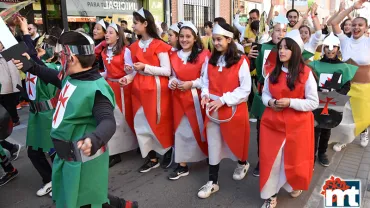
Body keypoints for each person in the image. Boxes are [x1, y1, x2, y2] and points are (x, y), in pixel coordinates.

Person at [12, 31, 138, 208]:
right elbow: (46, 73)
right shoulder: (71, 77)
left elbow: (107, 121)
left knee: (84, 201)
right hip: (66, 158)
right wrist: (28, 64)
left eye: (62, 54)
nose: (59, 57)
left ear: (72, 58)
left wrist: (94, 139)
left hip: (81, 161)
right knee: (81, 197)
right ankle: (124, 205)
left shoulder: (95, 88)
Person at [259, 30, 319, 208]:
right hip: (272, 124)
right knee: (272, 160)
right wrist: (270, 102)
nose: (282, 51)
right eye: (280, 48)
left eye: (286, 48)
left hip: (298, 126)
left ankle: (294, 184)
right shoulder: (272, 72)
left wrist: (291, 102)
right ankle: (270, 195)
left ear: (296, 51)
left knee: (294, 159)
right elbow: (265, 94)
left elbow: (313, 102)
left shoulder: (306, 73)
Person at [197, 23, 251, 199]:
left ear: (229, 39)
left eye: (219, 39)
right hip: (213, 109)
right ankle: (213, 182)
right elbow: (205, 82)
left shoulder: (241, 61)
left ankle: (243, 163)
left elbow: (245, 89)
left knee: (236, 142)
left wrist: (223, 100)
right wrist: (205, 95)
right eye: (214, 39)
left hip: (233, 109)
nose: (216, 43)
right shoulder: (210, 60)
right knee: (214, 144)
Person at [119, 8, 174, 172]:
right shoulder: (133, 47)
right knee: (142, 123)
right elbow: (135, 71)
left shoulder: (160, 45)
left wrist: (146, 67)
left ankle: (167, 150)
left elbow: (167, 71)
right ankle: (152, 157)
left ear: (145, 24)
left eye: (135, 23)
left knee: (159, 121)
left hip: (157, 90)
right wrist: (127, 78)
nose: (133, 26)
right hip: (138, 90)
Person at [15, 16, 61, 197]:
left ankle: (60, 182)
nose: (37, 52)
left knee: (55, 152)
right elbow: (27, 53)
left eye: (42, 49)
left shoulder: (49, 69)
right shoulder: (32, 66)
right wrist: (21, 31)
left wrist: (26, 30)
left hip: (48, 114)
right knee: (34, 152)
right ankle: (49, 180)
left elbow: (33, 58)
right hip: (36, 115)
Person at [308, 33, 358, 167]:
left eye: (333, 47)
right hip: (317, 102)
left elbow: (346, 85)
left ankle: (322, 153)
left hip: (333, 103)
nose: (330, 50)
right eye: (327, 48)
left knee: (327, 128)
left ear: (338, 49)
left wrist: (337, 93)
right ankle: (310, 155)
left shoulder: (343, 67)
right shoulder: (315, 65)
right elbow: (309, 82)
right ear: (323, 48)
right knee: (315, 128)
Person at [248, 15, 289, 177]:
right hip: (263, 97)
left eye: (284, 31)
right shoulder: (261, 47)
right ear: (271, 32)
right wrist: (249, 59)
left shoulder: (291, 50)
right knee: (262, 131)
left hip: (283, 98)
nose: (281, 34)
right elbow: (253, 70)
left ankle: (281, 161)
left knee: (281, 131)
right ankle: (262, 161)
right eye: (278, 30)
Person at [168, 21, 209, 180]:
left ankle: (203, 154)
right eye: (181, 36)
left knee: (197, 130)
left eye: (188, 36)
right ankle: (182, 164)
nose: (184, 40)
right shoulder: (173, 55)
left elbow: (206, 79)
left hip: (196, 97)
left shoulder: (204, 55)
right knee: (180, 130)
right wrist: (172, 82)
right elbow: (172, 75)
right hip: (178, 97)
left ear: (194, 38)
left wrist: (191, 84)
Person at [330, 0, 370, 151]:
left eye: (360, 25)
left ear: (366, 28)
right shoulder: (345, 41)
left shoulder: (368, 42)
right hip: (346, 85)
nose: (356, 27)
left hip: (365, 87)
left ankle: (363, 131)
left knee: (364, 116)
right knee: (345, 117)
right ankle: (344, 139)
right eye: (354, 24)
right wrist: (352, 7)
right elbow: (334, 23)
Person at [101, 23, 138, 168]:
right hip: (110, 86)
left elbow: (132, 71)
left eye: (110, 32)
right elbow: (106, 71)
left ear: (118, 35)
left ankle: (133, 144)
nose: (107, 35)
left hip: (124, 87)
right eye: (107, 32)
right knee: (112, 119)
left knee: (125, 118)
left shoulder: (125, 51)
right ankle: (115, 153)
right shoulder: (104, 52)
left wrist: (128, 71)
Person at [0, 41, 21, 127]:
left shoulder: (7, 54)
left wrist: (17, 88)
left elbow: (14, 72)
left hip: (7, 85)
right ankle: (6, 121)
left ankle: (15, 120)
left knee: (9, 104)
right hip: (2, 85)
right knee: (3, 105)